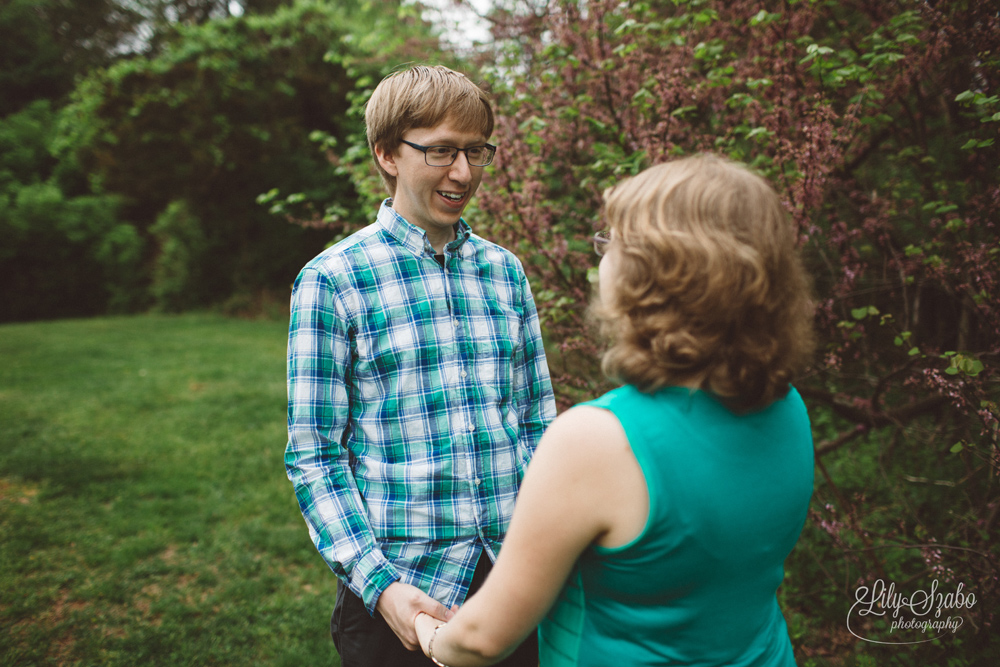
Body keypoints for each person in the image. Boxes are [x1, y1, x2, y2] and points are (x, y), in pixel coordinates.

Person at [413, 154, 817, 666]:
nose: (602, 256)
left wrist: (427, 631)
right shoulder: (787, 408)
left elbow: (480, 639)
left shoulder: (598, 440)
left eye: (612, 242)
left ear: (655, 274)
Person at [285, 64, 556, 667]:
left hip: (512, 584)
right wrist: (381, 589)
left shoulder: (505, 272)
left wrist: (544, 553)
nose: (463, 173)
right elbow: (315, 457)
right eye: (440, 151)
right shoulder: (333, 280)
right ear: (387, 153)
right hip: (401, 591)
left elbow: (537, 423)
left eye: (476, 151)